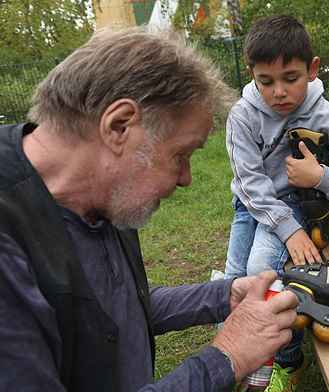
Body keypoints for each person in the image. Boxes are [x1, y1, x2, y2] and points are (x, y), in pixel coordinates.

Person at [0, 27, 299, 392]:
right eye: (181, 154)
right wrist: (226, 357)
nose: (187, 178)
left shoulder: (104, 195)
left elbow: (119, 309)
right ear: (120, 126)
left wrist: (224, 295)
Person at [224, 15, 329, 390]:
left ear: (312, 69)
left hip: (299, 202)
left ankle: (288, 362)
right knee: (233, 281)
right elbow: (251, 184)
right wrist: (288, 231)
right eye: (266, 81)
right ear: (252, 74)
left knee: (263, 270)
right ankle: (237, 358)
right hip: (252, 203)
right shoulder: (242, 116)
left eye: (290, 78)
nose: (278, 92)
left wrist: (319, 178)